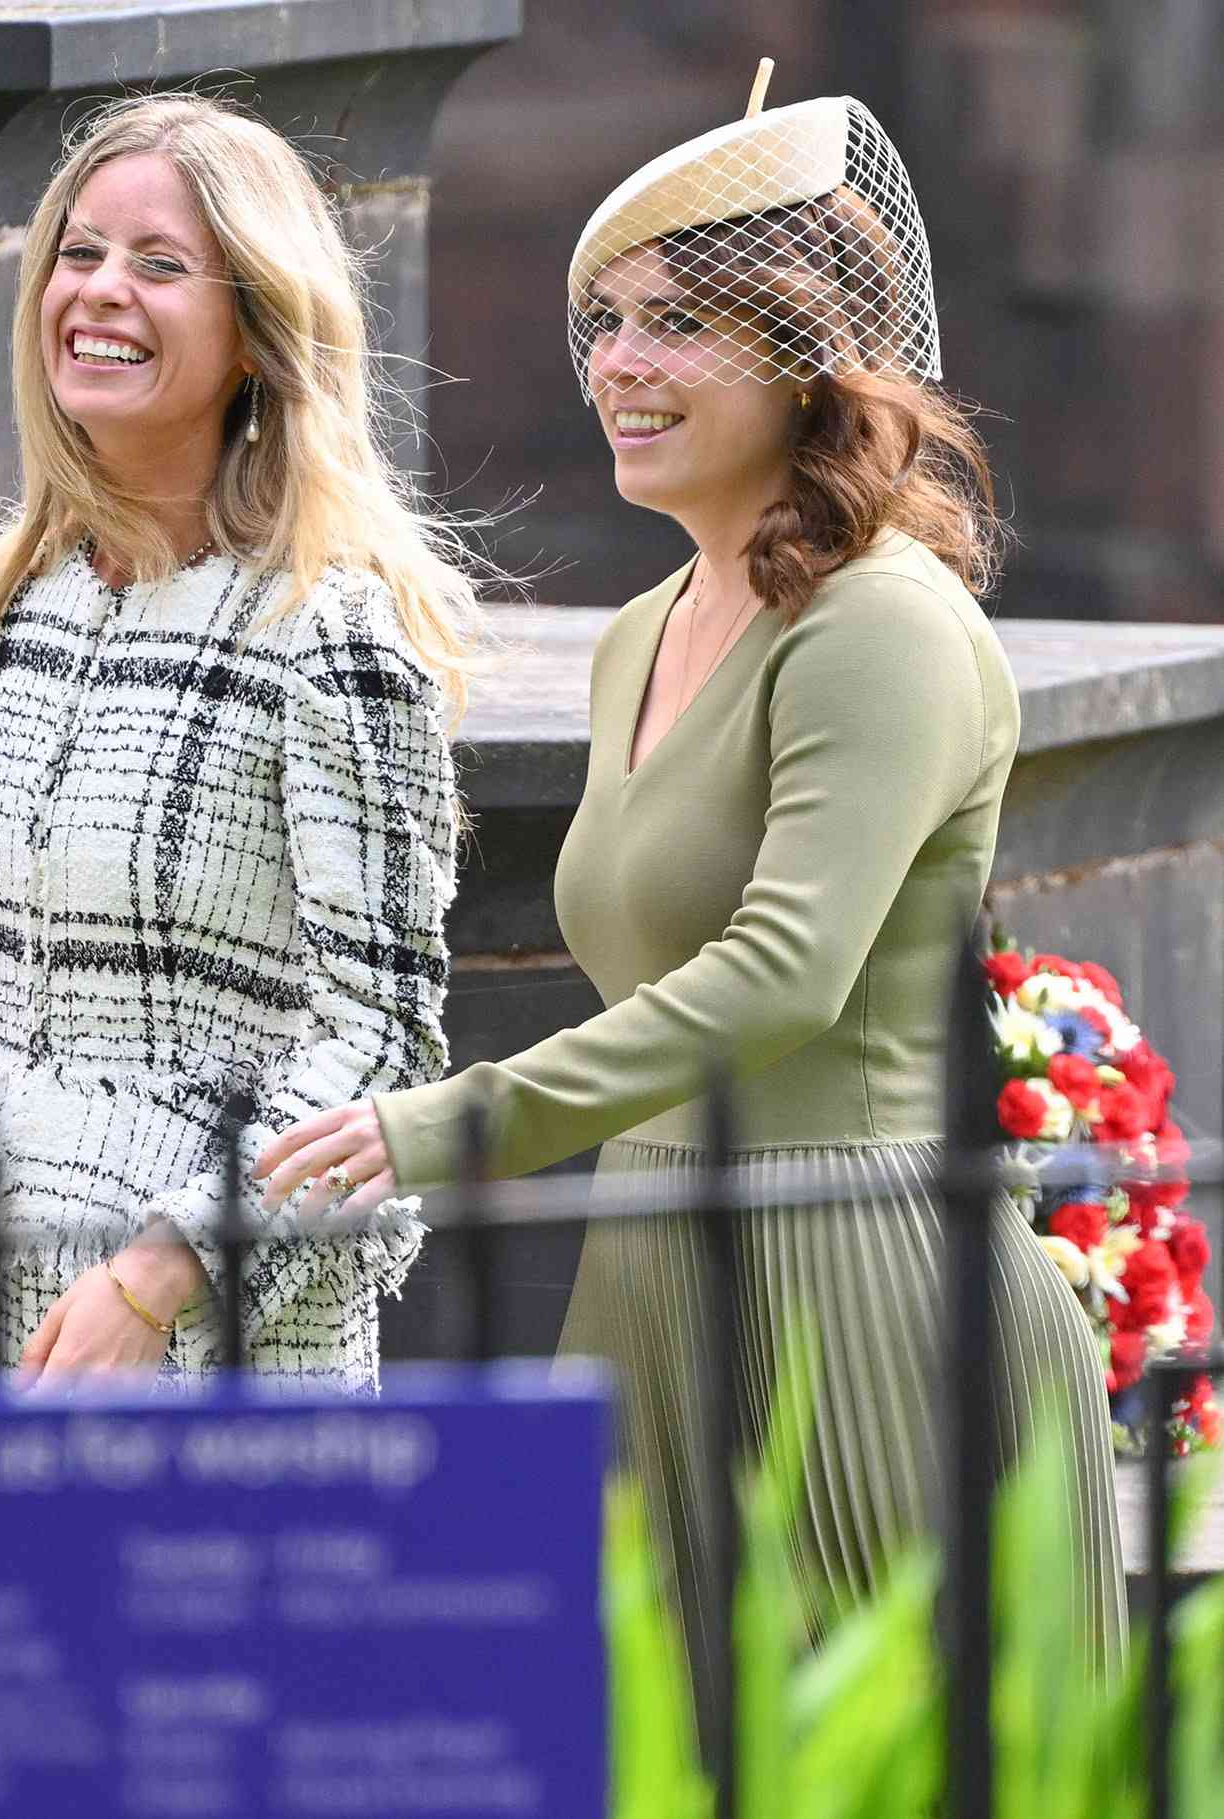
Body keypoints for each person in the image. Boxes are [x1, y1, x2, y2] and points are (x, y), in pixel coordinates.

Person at [255, 81, 1128, 1754]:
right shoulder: (640, 629)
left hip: (860, 1281)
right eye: (606, 326)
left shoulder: (884, 621)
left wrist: (452, 1124)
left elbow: (785, 972)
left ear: (803, 353)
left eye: (678, 327)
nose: (619, 368)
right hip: (647, 1271)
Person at [0, 94, 478, 1397]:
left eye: (159, 265)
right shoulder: (18, 605)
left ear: (258, 331)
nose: (100, 292)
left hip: (231, 1360)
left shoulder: (333, 632)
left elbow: (381, 1043)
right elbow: (56, 989)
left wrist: (164, 1276)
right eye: (78, 253)